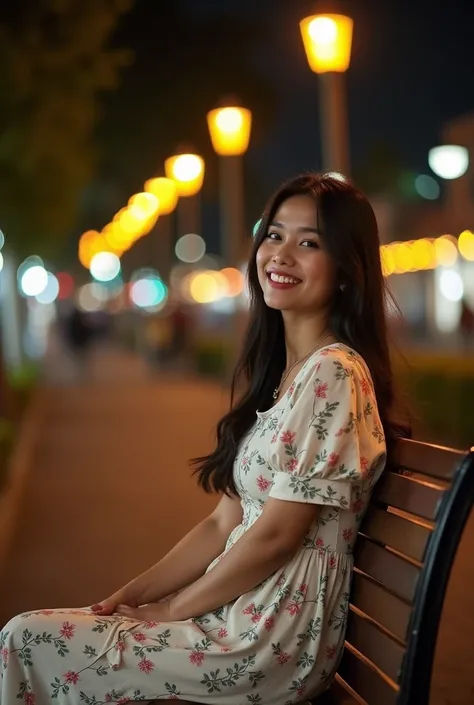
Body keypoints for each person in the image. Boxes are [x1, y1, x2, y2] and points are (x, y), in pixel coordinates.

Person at [0, 173, 406, 704]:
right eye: (274, 235)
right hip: (239, 616)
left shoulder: (334, 374)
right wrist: (135, 594)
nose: (280, 255)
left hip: (265, 642)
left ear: (348, 271)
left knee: (27, 640)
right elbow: (224, 521)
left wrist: (171, 609)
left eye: (309, 243)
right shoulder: (292, 375)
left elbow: (277, 537)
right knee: (39, 635)